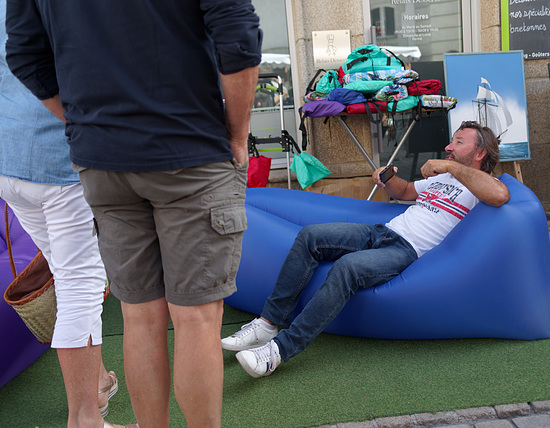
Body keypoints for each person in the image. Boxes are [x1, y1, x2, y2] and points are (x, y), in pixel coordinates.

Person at [6, 1, 262, 427]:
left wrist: (84, 123)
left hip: (103, 160)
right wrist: (238, 134)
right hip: (189, 149)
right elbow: (237, 32)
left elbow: (24, 53)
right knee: (196, 317)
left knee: (139, 316)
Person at [221, 121, 511, 378]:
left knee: (348, 267)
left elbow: (500, 195)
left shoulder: (479, 186)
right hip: (384, 231)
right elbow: (406, 191)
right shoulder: (442, 179)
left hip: (406, 251)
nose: (448, 146)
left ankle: (277, 352)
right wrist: (387, 179)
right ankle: (268, 323)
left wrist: (451, 166)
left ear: (480, 153)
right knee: (311, 236)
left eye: (458, 142)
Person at [0, 2, 132, 427]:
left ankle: (96, 384)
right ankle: (85, 419)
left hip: (10, 161)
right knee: (83, 286)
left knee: (67, 273)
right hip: (59, 162)